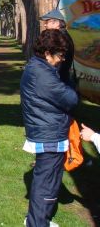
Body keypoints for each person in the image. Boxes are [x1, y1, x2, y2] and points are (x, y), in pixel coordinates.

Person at [21, 29, 79, 227]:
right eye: (60, 56)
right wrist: (70, 83)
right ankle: (37, 223)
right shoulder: (42, 74)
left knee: (47, 182)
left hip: (47, 131)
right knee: (46, 185)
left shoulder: (40, 68)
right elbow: (71, 99)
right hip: (49, 135)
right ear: (47, 53)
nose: (62, 60)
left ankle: (38, 220)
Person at [40, 8, 75, 85]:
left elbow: (58, 62)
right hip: (61, 79)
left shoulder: (59, 38)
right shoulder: (63, 35)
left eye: (47, 22)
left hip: (58, 80)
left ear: (56, 23)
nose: (45, 24)